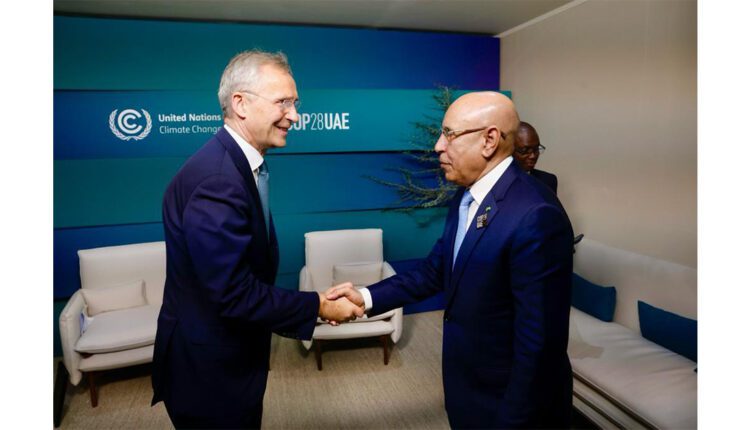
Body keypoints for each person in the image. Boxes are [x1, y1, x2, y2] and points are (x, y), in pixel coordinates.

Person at [328, 92, 574, 428]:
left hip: (508, 406)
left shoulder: (536, 215)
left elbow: (539, 347)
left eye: (450, 134)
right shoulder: (466, 195)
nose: (438, 146)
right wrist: (365, 297)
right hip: (467, 389)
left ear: (489, 140)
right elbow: (435, 271)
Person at [151, 50, 363, 429]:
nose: (294, 116)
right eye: (283, 102)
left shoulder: (232, 164)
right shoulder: (218, 180)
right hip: (211, 373)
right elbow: (233, 293)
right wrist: (318, 306)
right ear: (241, 104)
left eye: (295, 104)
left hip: (228, 355)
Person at [513, 121, 558, 193]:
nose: (533, 156)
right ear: (510, 150)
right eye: (525, 150)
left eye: (536, 149)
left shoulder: (548, 181)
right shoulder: (498, 180)